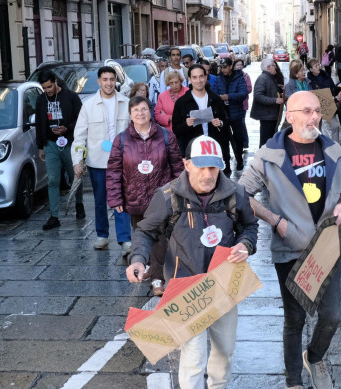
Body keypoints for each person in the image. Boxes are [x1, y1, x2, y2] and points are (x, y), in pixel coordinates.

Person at [126, 135, 258, 389]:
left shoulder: (235, 193)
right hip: (186, 289)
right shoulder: (168, 196)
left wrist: (246, 245)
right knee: (193, 358)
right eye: (201, 167)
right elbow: (144, 230)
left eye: (214, 168)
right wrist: (138, 259)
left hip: (224, 285)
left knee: (225, 348)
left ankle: (218, 386)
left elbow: (250, 226)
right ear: (187, 165)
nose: (208, 174)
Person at [239, 91, 341, 389]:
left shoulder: (331, 150)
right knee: (296, 319)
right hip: (290, 249)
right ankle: (293, 383)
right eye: (306, 111)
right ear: (289, 116)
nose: (313, 117)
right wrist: (276, 221)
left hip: (327, 247)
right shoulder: (270, 154)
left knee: (332, 316)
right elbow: (241, 194)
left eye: (317, 111)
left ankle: (314, 358)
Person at [107, 96, 183, 296]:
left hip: (162, 200)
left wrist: (181, 194)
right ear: (130, 115)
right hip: (135, 200)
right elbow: (114, 171)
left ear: (150, 112)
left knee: (160, 239)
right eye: (135, 110)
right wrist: (115, 199)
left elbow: (177, 167)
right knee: (142, 237)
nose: (140, 113)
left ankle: (158, 278)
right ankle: (150, 267)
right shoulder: (121, 140)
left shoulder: (167, 136)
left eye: (143, 109)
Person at [71, 66, 131, 253]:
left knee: (122, 199)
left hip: (121, 160)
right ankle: (102, 235)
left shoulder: (125, 103)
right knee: (99, 200)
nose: (108, 83)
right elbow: (79, 136)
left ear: (116, 81)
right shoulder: (88, 105)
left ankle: (124, 239)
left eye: (112, 79)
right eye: (105, 79)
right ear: (99, 81)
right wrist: (76, 160)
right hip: (97, 161)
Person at [35, 69, 84, 230]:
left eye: (49, 86)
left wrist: (67, 128)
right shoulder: (41, 100)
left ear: (55, 82)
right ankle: (54, 216)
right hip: (51, 144)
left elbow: (82, 119)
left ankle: (79, 204)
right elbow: (39, 123)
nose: (47, 91)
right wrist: (40, 146)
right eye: (44, 88)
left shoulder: (70, 96)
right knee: (53, 180)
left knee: (74, 176)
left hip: (70, 143)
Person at [172, 64, 229, 156]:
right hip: (193, 149)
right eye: (194, 77)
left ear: (206, 77)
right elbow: (176, 129)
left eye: (201, 76)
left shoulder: (215, 99)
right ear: (189, 79)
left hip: (213, 147)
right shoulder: (181, 102)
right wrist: (186, 124)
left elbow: (226, 122)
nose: (198, 81)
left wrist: (220, 123)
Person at [211, 57, 250, 173]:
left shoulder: (239, 78)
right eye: (221, 68)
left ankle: (239, 159)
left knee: (238, 138)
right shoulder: (219, 79)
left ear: (230, 67)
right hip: (223, 113)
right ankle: (226, 163)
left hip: (236, 113)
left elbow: (243, 93)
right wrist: (219, 98)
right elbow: (214, 93)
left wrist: (228, 96)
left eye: (225, 67)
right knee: (224, 139)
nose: (223, 70)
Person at [250, 58, 284, 148]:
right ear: (268, 67)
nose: (275, 67)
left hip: (271, 115)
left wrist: (280, 91)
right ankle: (262, 159)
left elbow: (270, 91)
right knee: (265, 141)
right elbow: (258, 96)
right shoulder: (263, 78)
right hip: (267, 116)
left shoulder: (269, 77)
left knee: (270, 139)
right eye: (274, 65)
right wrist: (275, 100)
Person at [307, 58, 340, 143]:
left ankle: (335, 145)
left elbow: (332, 87)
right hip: (315, 106)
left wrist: (338, 89)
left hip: (327, 103)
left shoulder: (325, 75)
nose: (318, 67)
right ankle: (318, 146)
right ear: (311, 69)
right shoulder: (309, 80)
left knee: (335, 126)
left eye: (318, 65)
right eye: (315, 66)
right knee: (317, 129)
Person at [234, 58, 252, 150]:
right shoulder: (231, 76)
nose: (239, 66)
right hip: (233, 104)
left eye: (241, 65)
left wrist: (240, 91)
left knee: (242, 122)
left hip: (243, 103)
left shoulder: (246, 76)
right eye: (237, 65)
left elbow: (249, 88)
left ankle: (245, 142)